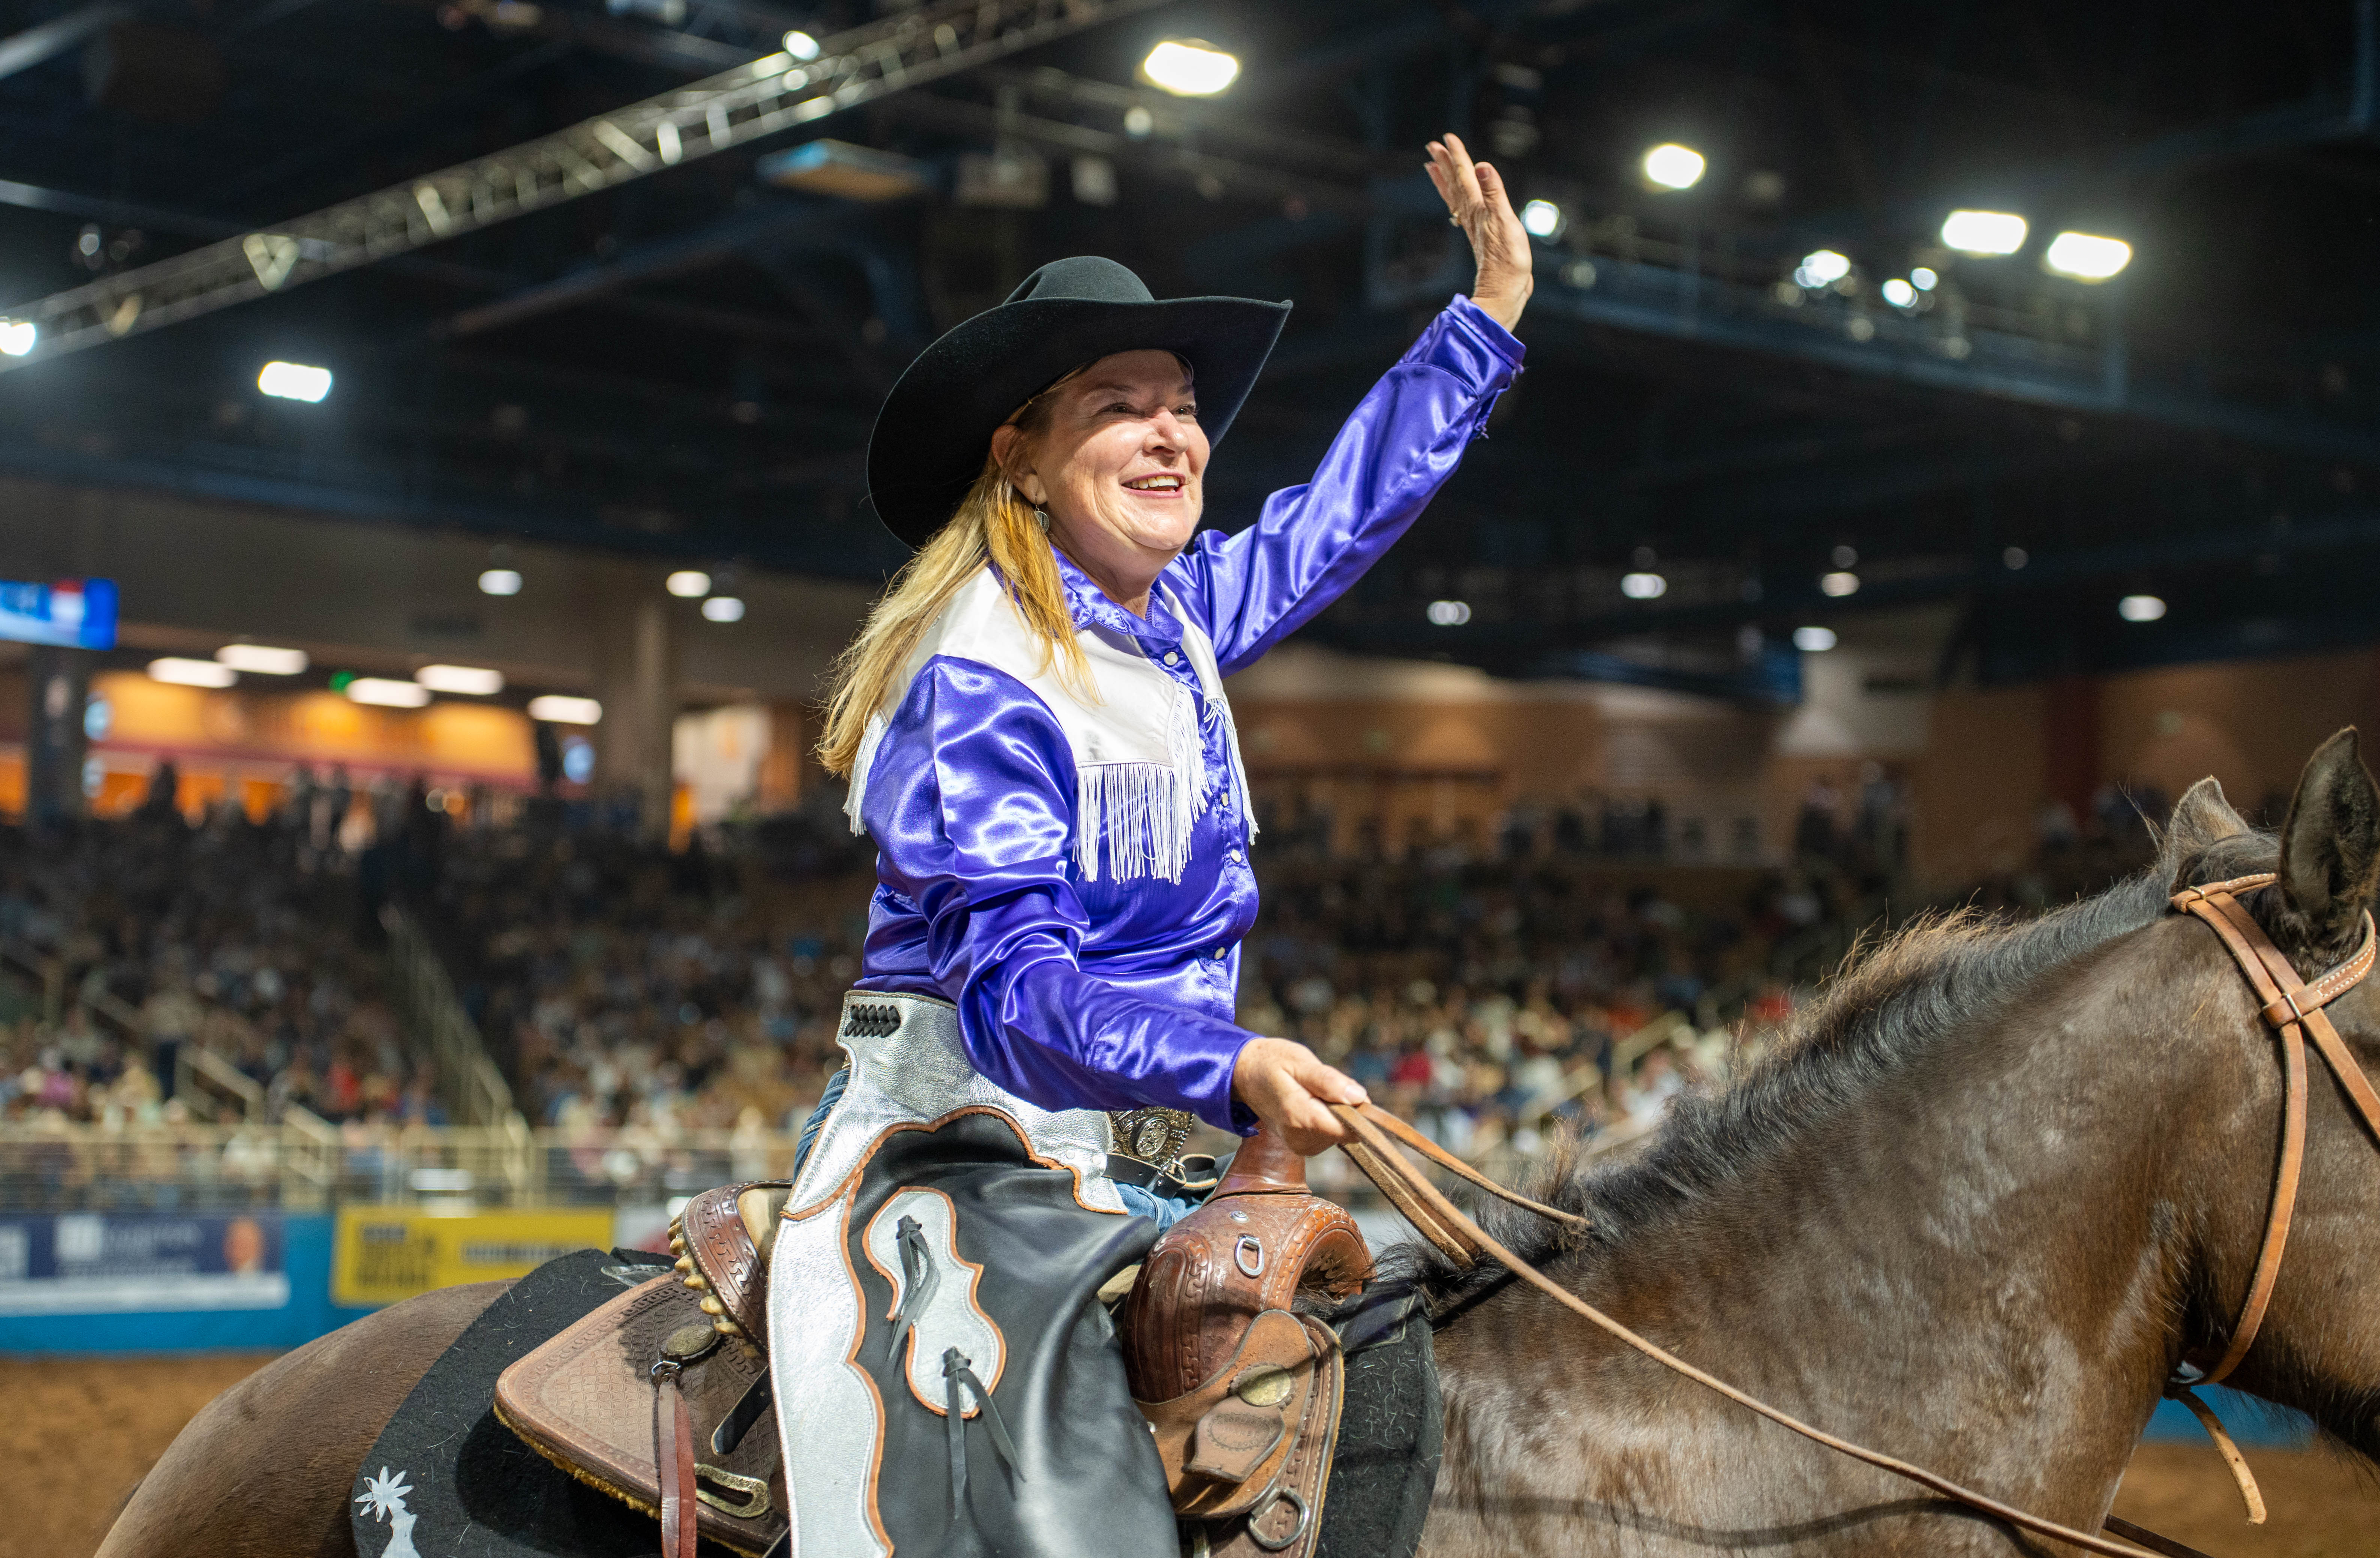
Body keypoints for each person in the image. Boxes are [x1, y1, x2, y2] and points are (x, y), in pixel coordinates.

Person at [767, 132, 1532, 1558]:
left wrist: (1477, 325)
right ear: (1023, 452)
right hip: (970, 1136)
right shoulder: (979, 673)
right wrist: (1227, 1061)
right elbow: (1012, 997)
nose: (1174, 434)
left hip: (1144, 1137)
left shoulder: (1168, 622)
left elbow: (1331, 524)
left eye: (1181, 407)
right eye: (1122, 407)